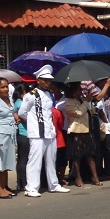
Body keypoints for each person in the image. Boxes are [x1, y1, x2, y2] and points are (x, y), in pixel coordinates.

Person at [18, 65, 70, 197]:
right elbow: (22, 113)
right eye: (45, 80)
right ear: (38, 80)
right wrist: (33, 122)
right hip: (37, 133)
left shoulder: (49, 94)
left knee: (51, 160)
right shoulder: (31, 95)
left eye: (49, 80)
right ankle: (31, 187)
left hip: (50, 131)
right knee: (35, 160)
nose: (48, 83)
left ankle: (54, 184)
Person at [64, 83, 102, 187]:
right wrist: (86, 102)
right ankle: (78, 177)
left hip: (87, 130)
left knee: (90, 155)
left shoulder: (82, 100)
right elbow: (78, 113)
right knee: (77, 157)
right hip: (76, 131)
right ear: (74, 91)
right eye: (79, 90)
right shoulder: (69, 102)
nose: (81, 91)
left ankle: (95, 176)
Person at [13, 83, 31, 192]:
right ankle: (23, 182)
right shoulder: (20, 103)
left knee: (22, 158)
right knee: (24, 159)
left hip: (25, 133)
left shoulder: (19, 102)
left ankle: (21, 181)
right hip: (24, 133)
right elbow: (24, 116)